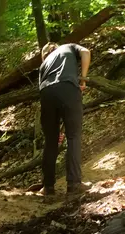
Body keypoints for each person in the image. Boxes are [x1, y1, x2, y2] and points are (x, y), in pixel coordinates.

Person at [38, 42, 91, 196]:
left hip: (46, 93)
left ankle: (47, 186)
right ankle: (74, 184)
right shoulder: (68, 47)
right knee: (73, 136)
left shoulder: (43, 66)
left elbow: (48, 89)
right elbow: (86, 52)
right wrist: (83, 80)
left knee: (50, 141)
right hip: (68, 88)